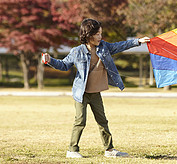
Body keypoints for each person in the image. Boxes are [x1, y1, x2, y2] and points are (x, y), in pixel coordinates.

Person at [42, 18, 150, 158]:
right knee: (80, 121)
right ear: (88, 34)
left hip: (95, 92)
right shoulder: (77, 51)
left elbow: (120, 45)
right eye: (98, 34)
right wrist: (50, 61)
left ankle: (109, 150)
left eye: (101, 34)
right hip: (81, 93)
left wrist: (137, 41)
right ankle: (72, 150)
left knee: (102, 121)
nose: (100, 37)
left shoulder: (104, 47)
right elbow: (64, 65)